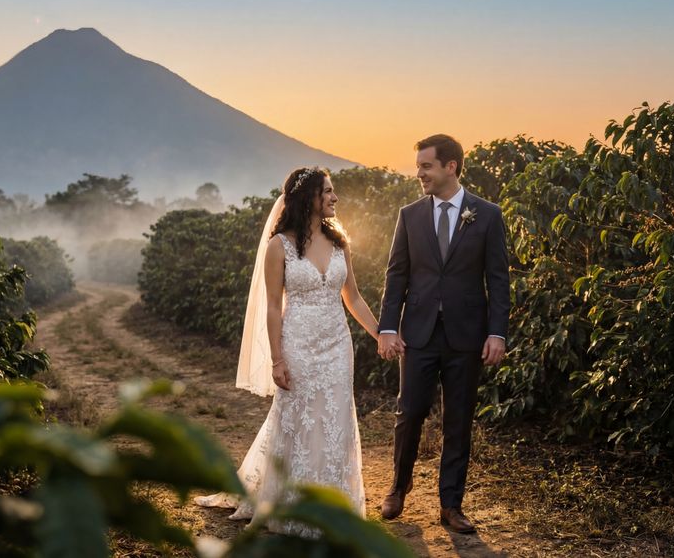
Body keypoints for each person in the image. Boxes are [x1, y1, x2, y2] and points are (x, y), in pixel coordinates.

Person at [195, 167, 380, 536]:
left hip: (337, 345)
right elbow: (274, 307)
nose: (334, 197)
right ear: (307, 197)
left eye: (333, 191)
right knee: (299, 420)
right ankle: (292, 504)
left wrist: (381, 334)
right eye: (327, 191)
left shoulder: (340, 240)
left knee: (335, 419)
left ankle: (336, 503)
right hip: (298, 344)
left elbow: (353, 297)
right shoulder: (279, 245)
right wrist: (278, 358)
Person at [377, 134, 511, 533]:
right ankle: (399, 487)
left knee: (459, 420)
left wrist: (497, 334)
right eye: (418, 166)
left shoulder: (487, 214)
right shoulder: (410, 214)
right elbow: (396, 274)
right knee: (410, 413)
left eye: (426, 166)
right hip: (417, 334)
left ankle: (451, 505)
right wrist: (387, 328)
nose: (419, 174)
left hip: (466, 336)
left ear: (450, 167)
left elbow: (498, 280)